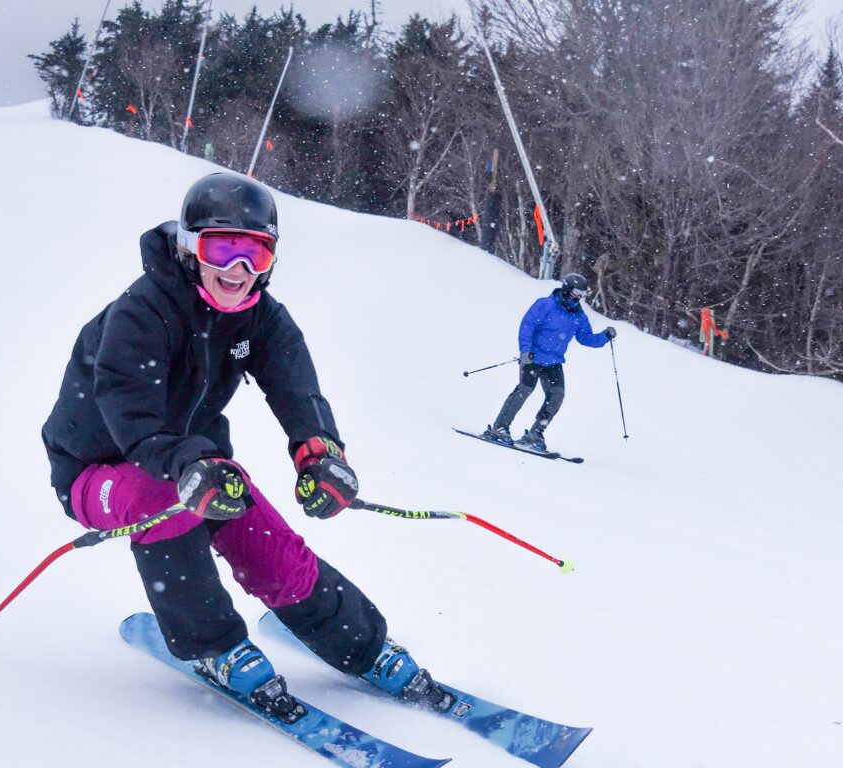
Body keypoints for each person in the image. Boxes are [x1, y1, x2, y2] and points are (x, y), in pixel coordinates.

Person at [42, 172, 453, 721]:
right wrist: (185, 460)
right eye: (223, 249)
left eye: (255, 255)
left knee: (270, 552)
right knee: (160, 498)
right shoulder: (139, 314)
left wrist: (320, 452)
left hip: (198, 463)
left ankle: (364, 646)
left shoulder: (262, 316)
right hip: (101, 472)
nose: (237, 272)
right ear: (190, 248)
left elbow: (298, 391)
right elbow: (133, 423)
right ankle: (214, 646)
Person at [485, 272, 616, 453]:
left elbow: (585, 338)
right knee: (525, 389)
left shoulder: (578, 316)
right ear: (567, 289)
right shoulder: (545, 305)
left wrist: (604, 337)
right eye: (577, 292)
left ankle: (535, 434)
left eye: (583, 294)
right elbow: (527, 325)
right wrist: (525, 350)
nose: (580, 297)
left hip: (553, 362)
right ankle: (499, 428)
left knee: (557, 395)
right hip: (533, 357)